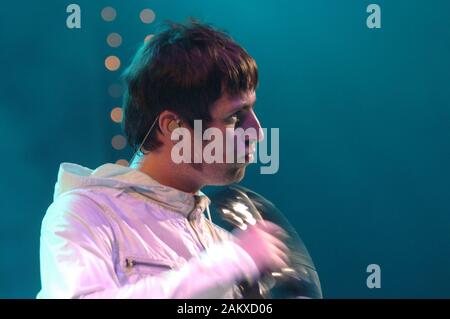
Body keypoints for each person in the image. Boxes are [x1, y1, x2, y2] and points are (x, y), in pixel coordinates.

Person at [37, 20, 289, 299]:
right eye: (234, 117)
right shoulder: (85, 214)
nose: (257, 131)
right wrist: (231, 262)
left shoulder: (224, 244)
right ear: (173, 126)